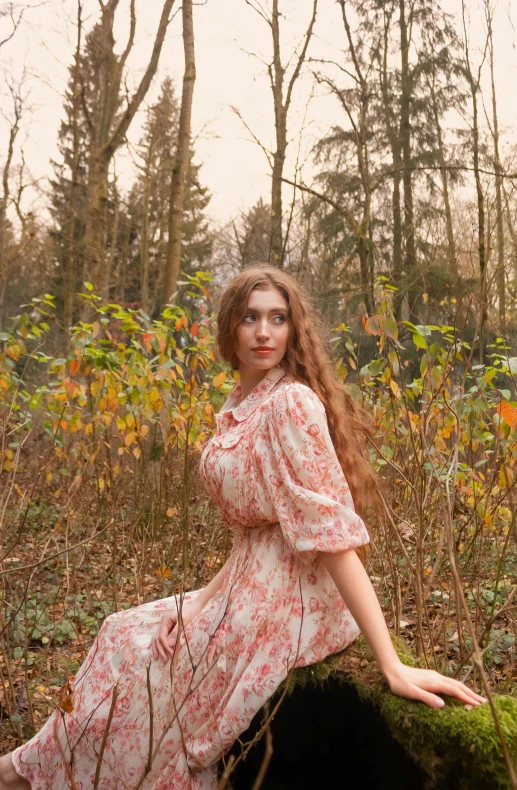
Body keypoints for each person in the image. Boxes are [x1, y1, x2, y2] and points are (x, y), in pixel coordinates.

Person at [1, 264, 486, 789]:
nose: (263, 331)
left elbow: (333, 538)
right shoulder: (240, 405)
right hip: (247, 585)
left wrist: (391, 663)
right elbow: (252, 540)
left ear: (292, 330)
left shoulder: (290, 403)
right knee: (123, 631)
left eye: (277, 319)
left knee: (152, 666)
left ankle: (20, 775)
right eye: (251, 318)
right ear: (231, 326)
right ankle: (31, 768)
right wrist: (198, 604)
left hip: (293, 598)